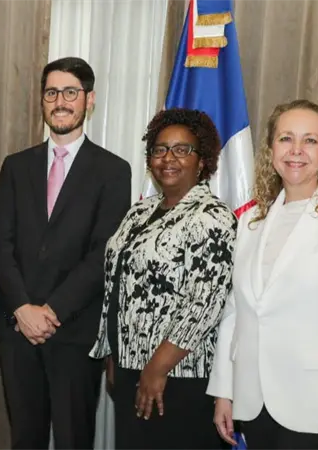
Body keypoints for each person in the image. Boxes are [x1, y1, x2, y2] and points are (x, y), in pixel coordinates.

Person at [0, 56, 131, 450]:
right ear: (41, 100)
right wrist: (22, 308)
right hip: (18, 332)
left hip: (74, 332)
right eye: (52, 93)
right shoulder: (15, 166)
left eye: (71, 92)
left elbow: (104, 252)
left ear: (89, 99)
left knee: (73, 439)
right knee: (25, 438)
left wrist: (50, 312)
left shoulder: (114, 171)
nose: (60, 101)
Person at [88, 109, 236, 450]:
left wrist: (156, 368)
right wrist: (114, 354)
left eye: (182, 150)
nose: (168, 158)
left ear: (202, 161)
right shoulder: (140, 211)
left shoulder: (212, 217)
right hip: (131, 369)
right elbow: (117, 285)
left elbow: (204, 304)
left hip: (178, 376)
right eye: (159, 149)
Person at [208, 99, 318, 450]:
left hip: (313, 405)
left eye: (311, 140)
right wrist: (224, 392)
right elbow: (235, 312)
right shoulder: (251, 221)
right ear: (271, 149)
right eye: (286, 138)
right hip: (253, 401)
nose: (296, 150)